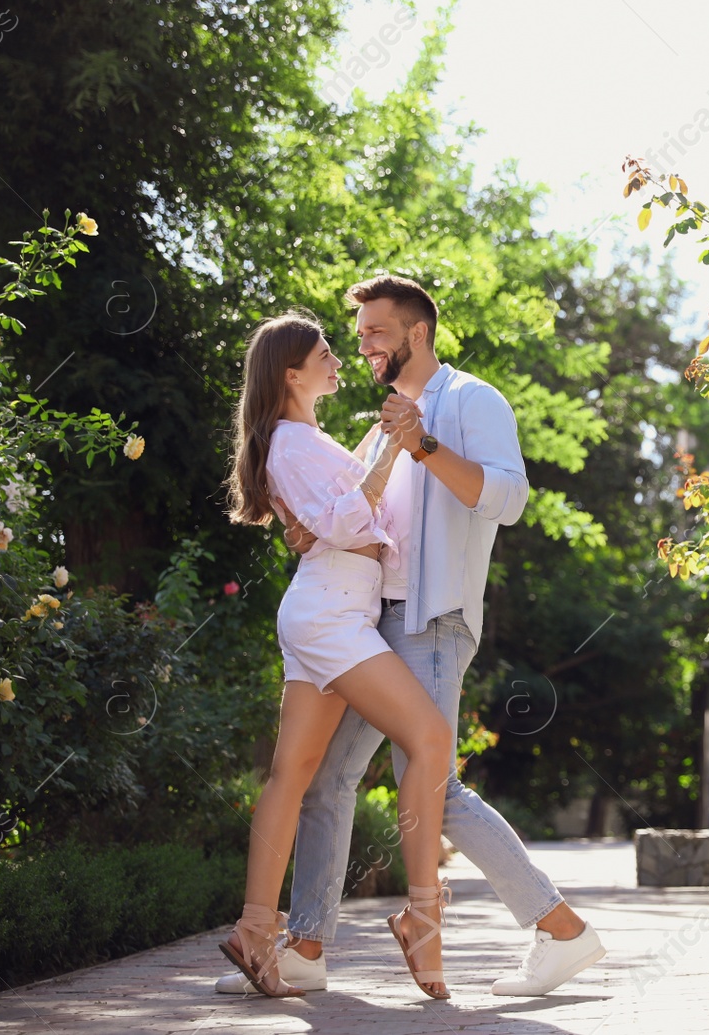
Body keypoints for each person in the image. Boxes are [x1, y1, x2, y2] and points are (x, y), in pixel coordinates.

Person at [216, 275, 605, 998]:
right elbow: (349, 519)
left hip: (429, 619)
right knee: (325, 780)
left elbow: (509, 497)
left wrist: (420, 443)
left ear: (416, 333)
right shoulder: (375, 423)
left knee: (436, 786)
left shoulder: (468, 400)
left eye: (374, 333)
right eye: (355, 335)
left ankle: (560, 929)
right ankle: (303, 944)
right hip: (367, 624)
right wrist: (306, 532)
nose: (361, 346)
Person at [222, 311, 454, 999]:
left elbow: (338, 511)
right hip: (331, 616)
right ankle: (421, 914)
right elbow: (353, 516)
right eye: (324, 351)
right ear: (291, 373)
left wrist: (382, 444)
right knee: (430, 735)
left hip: (331, 607)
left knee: (290, 775)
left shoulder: (304, 439)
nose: (337, 357)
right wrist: (394, 444)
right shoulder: (290, 443)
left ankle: (256, 930)